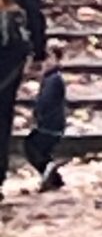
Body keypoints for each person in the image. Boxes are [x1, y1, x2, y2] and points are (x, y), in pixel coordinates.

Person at [0, 0, 48, 196]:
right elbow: (32, 4)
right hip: (10, 52)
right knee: (2, 112)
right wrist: (39, 49)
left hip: (10, 49)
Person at [23, 39, 69, 191]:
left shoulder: (53, 79)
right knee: (37, 148)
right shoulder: (51, 78)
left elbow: (45, 101)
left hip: (50, 123)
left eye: (47, 57)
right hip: (50, 122)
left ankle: (50, 171)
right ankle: (54, 178)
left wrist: (36, 114)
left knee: (32, 147)